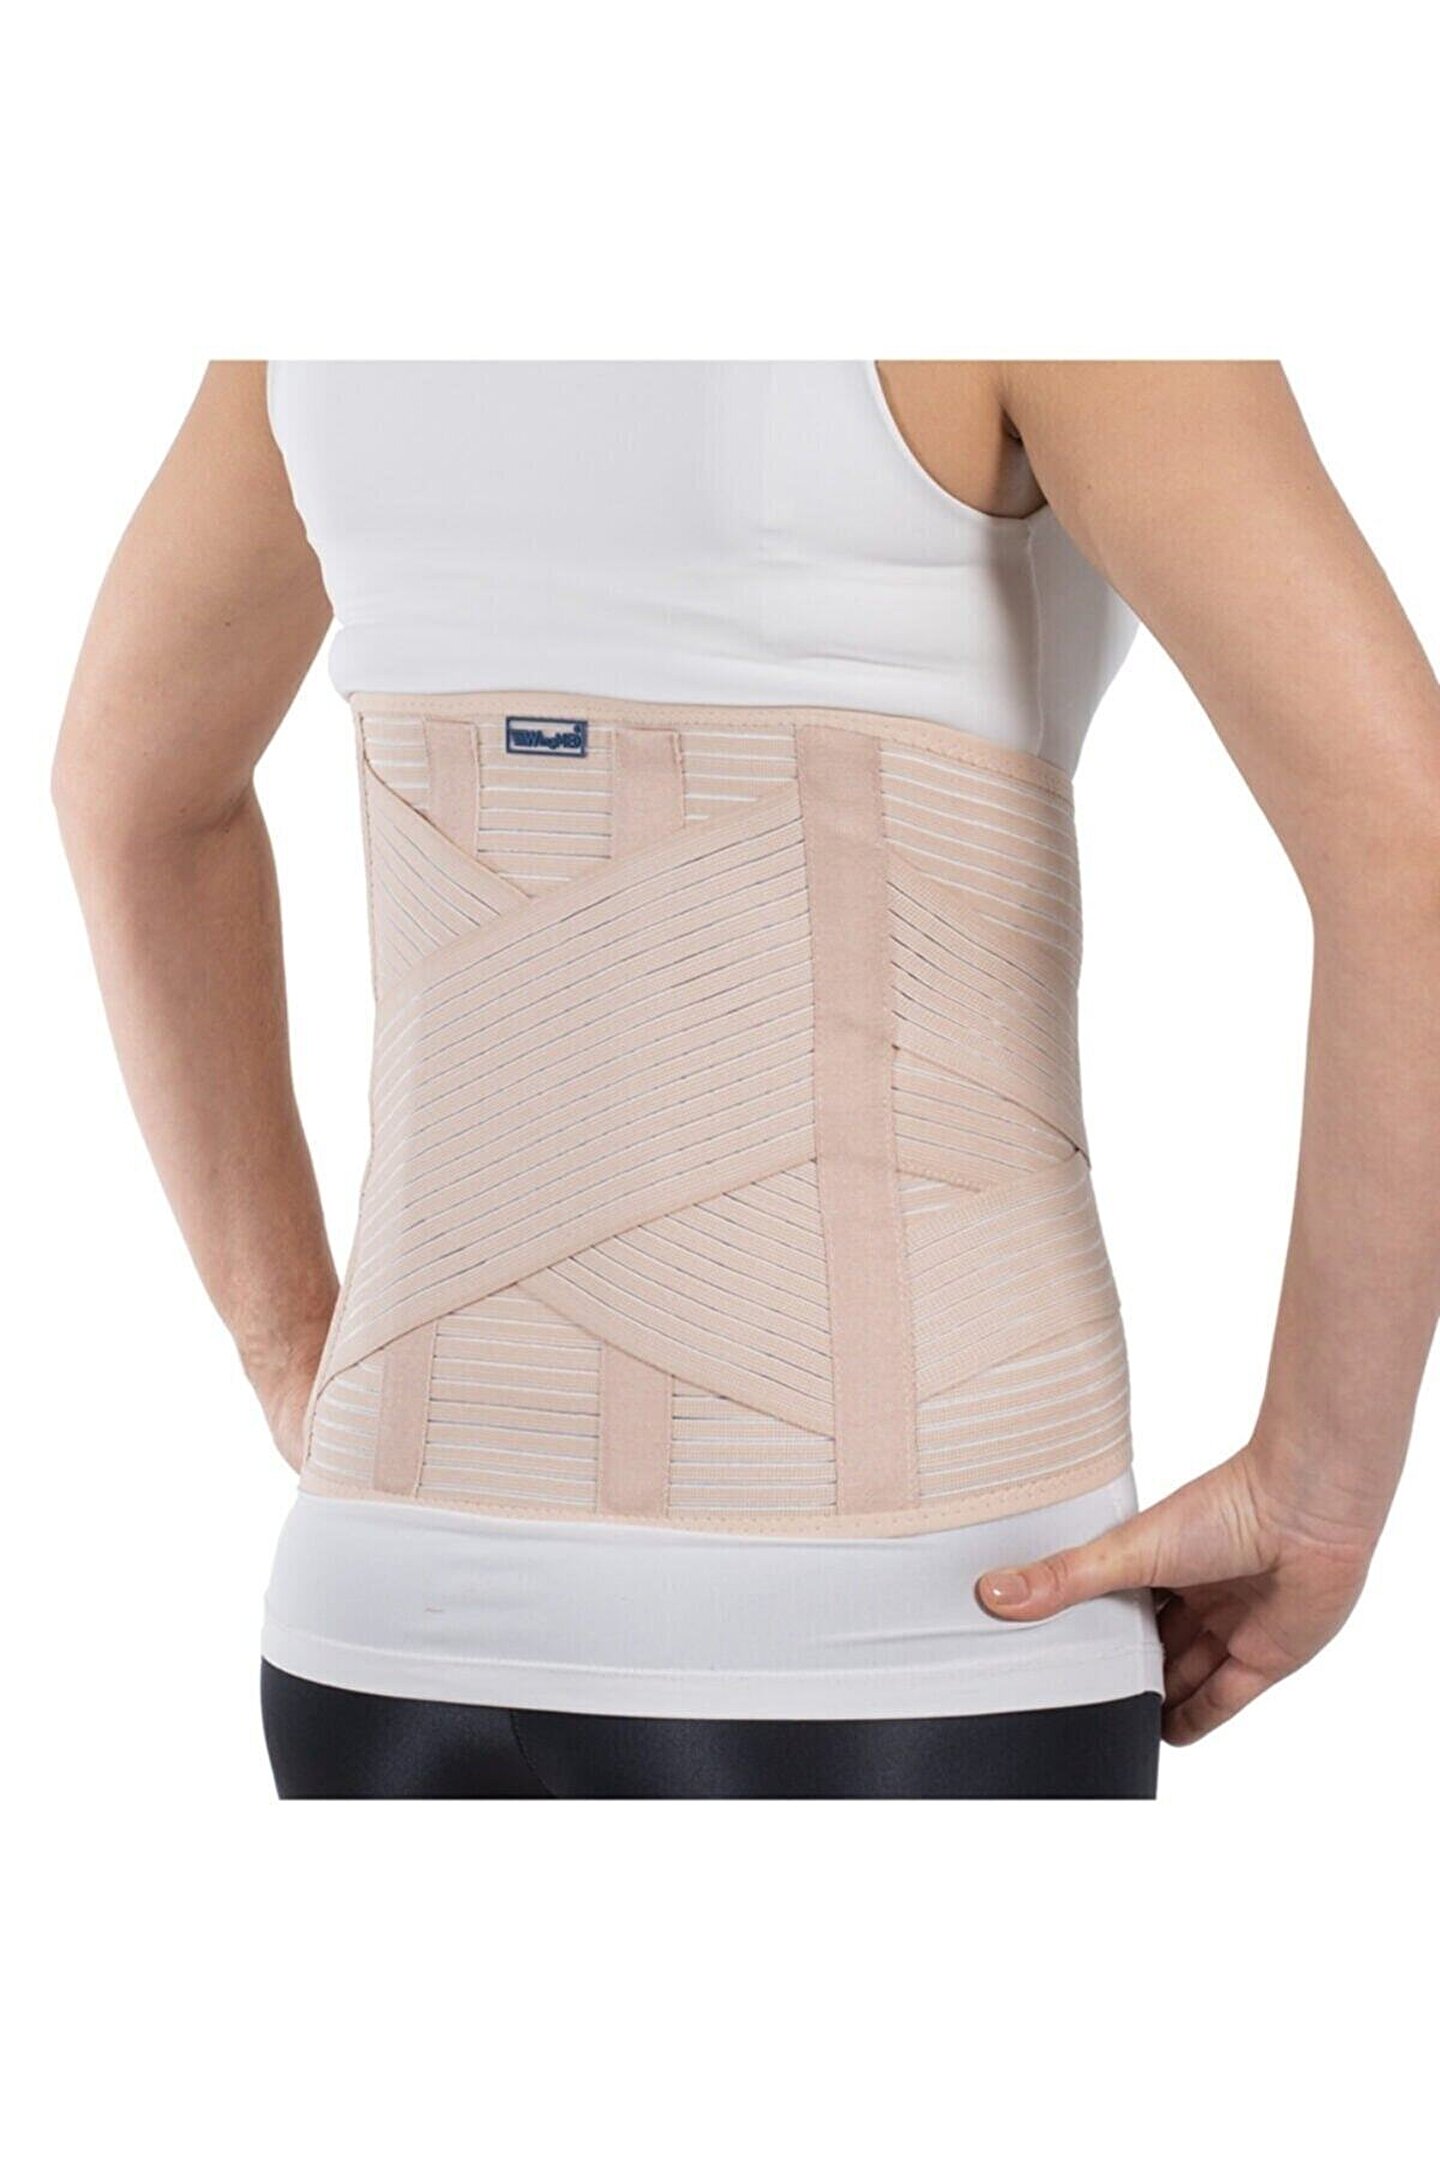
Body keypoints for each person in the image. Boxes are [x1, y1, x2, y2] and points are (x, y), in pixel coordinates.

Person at [53, 361, 1439, 1800]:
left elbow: (131, 792)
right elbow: (1409, 843)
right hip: (901, 1628)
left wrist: (294, 1348)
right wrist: (1321, 1491)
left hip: (387, 1622)